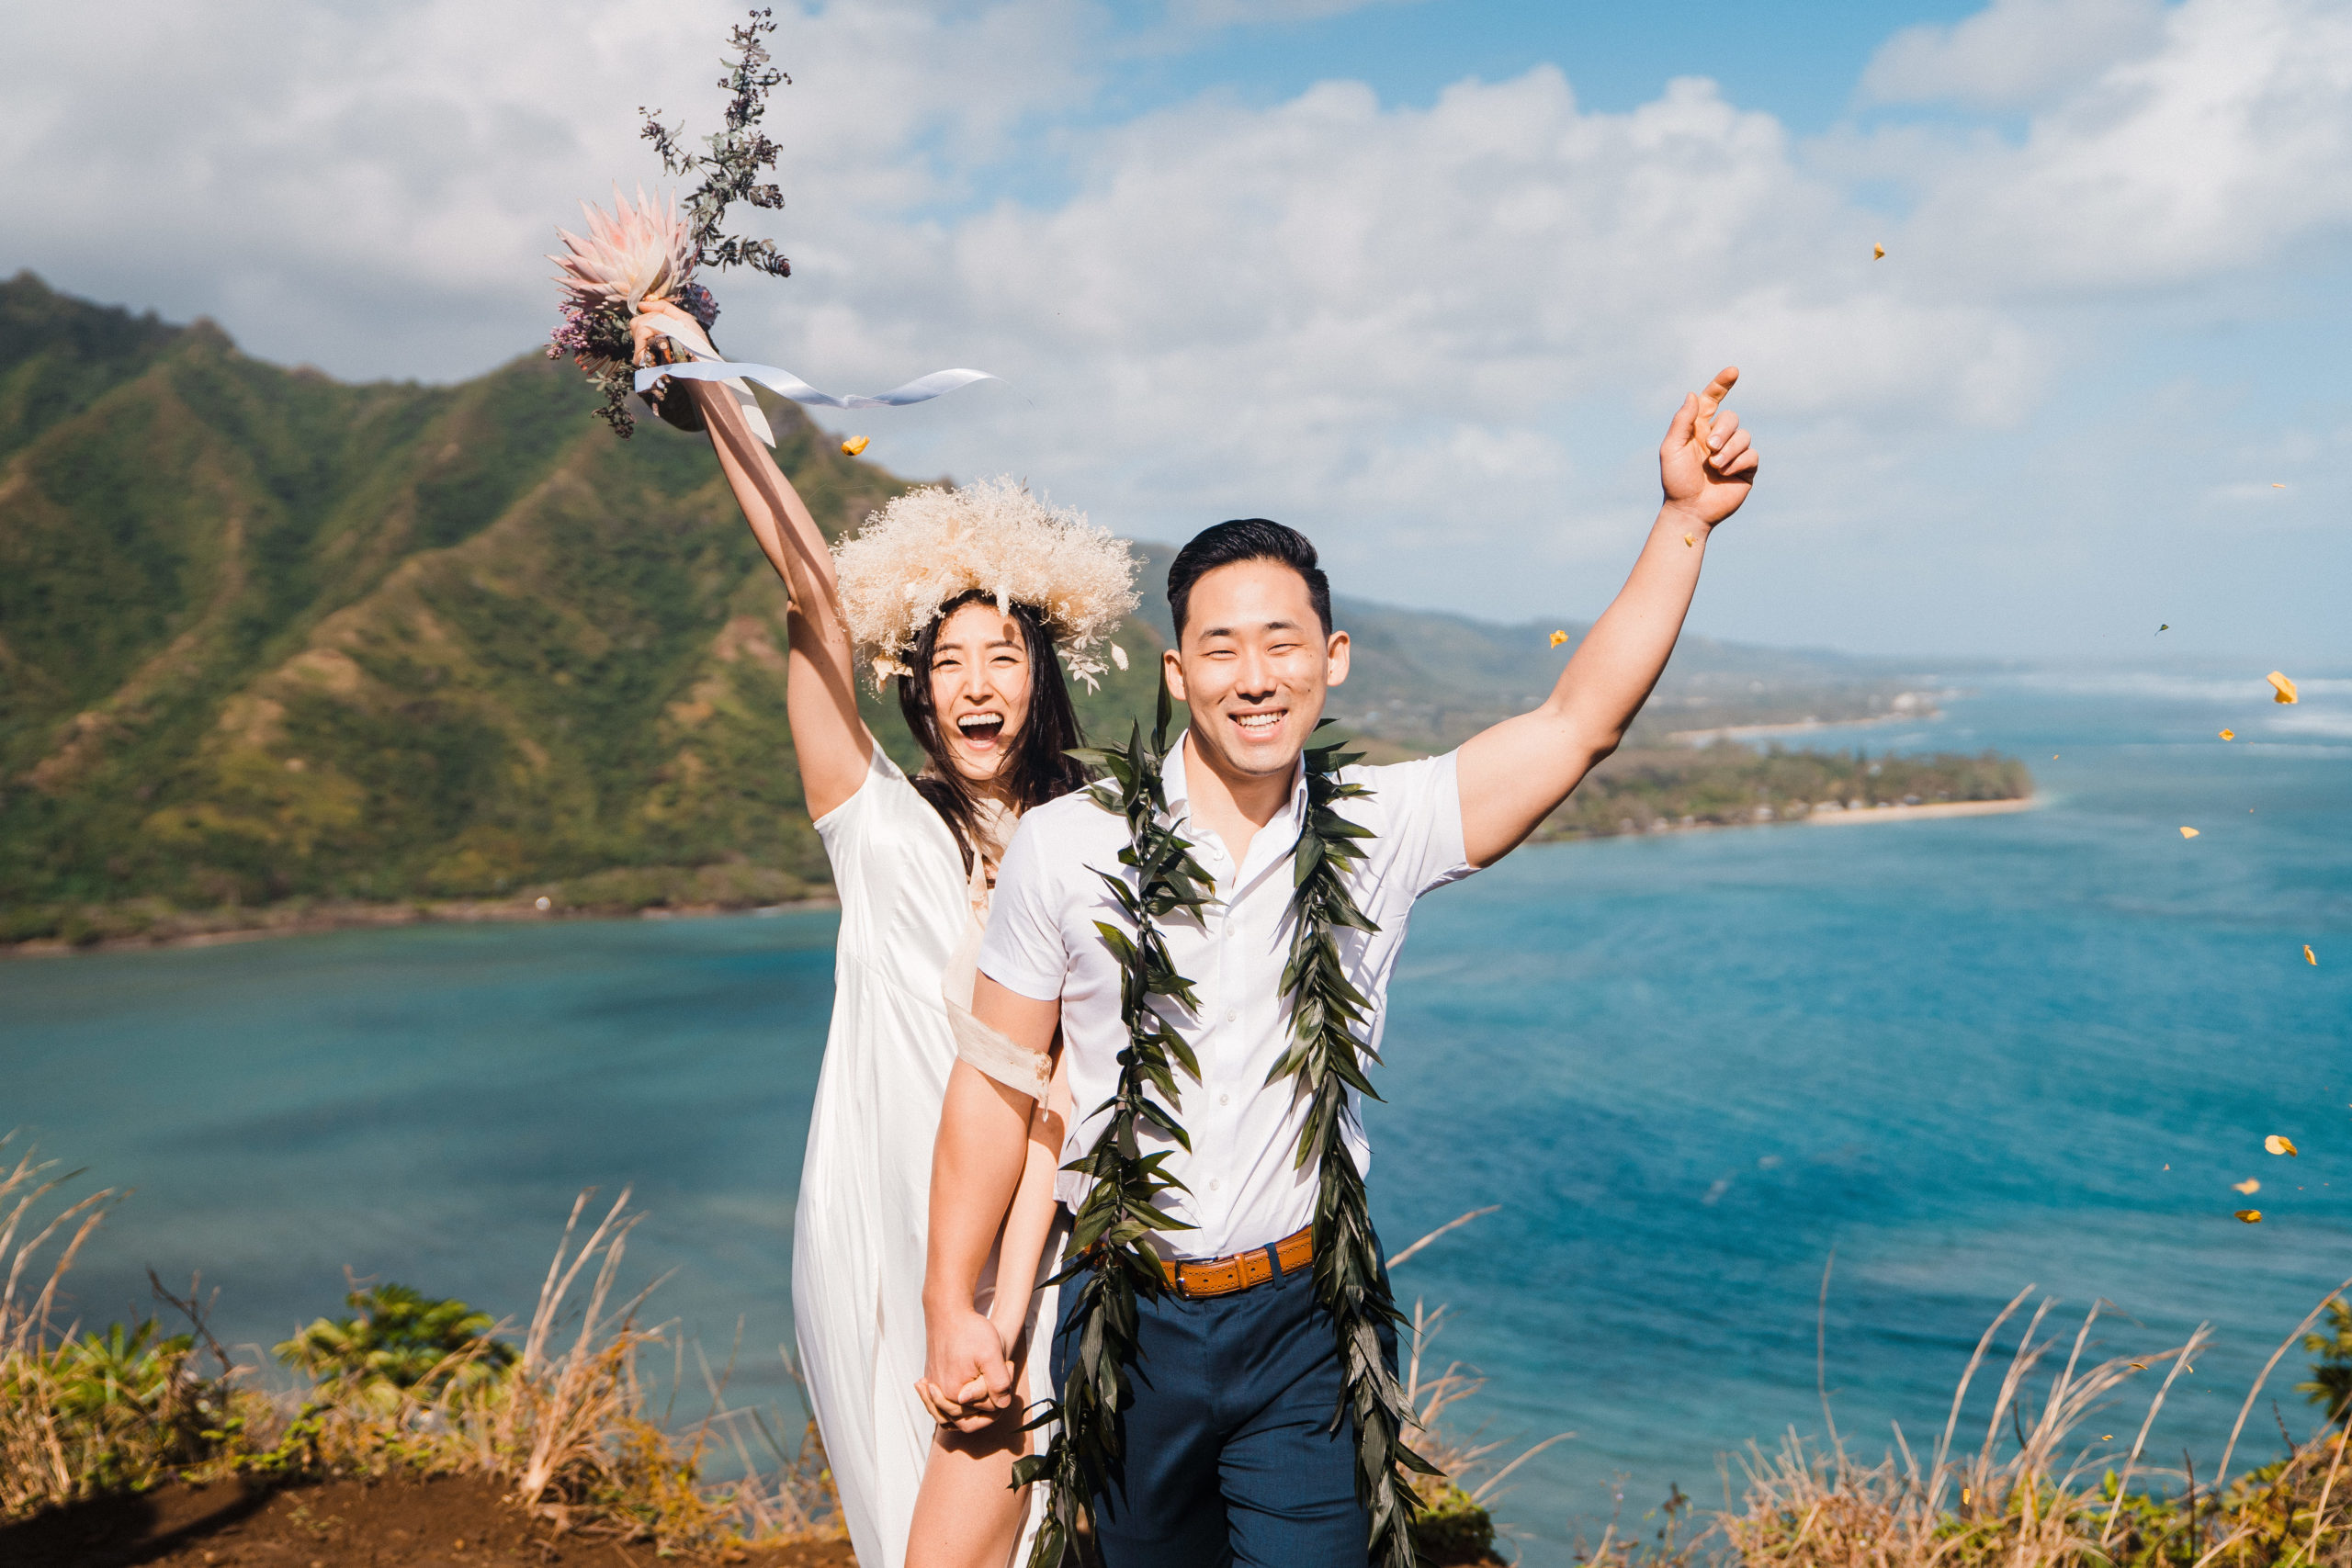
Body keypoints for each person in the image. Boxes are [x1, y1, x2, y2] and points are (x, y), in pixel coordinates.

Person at [920, 370, 1760, 1566]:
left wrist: (1683, 523)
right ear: (1175, 673)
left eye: (1282, 643)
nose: (1254, 676)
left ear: (1334, 658)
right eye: (1221, 648)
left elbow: (1579, 724)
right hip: (1123, 1317)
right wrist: (951, 1303)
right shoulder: (1071, 845)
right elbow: (998, 1082)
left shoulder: (1384, 823)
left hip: (1306, 1324)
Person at [627, 299, 1136, 1568]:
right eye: (948, 658)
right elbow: (811, 589)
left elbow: (1067, 1097)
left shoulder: (1090, 847)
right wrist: (716, 399)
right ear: (912, 682)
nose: (977, 682)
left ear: (1043, 673)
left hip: (1036, 1237)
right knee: (898, 1525)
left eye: (1004, 654)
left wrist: (1003, 1305)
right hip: (868, 1213)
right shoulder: (872, 823)